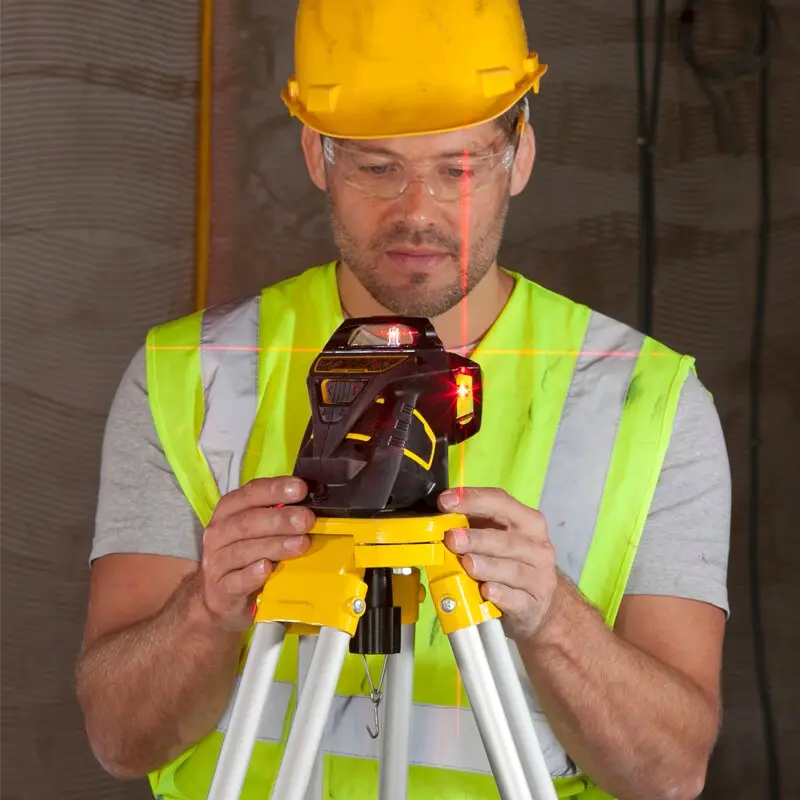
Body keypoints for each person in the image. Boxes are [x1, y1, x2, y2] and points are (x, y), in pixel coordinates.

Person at [75, 1, 731, 798]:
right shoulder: (192, 376)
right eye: (377, 167)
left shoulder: (646, 400)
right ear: (316, 153)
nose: (418, 212)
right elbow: (119, 740)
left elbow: (670, 775)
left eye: (459, 167)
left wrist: (552, 617)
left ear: (520, 155)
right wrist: (204, 611)